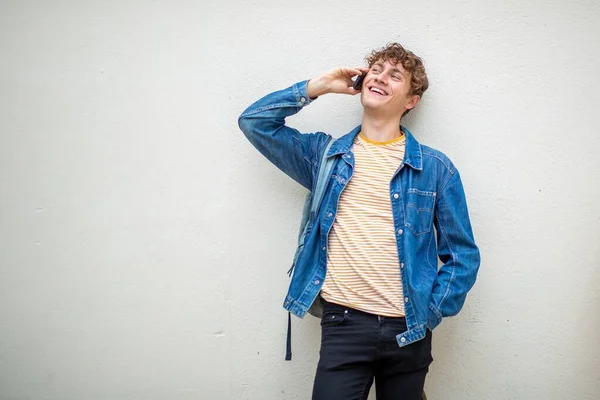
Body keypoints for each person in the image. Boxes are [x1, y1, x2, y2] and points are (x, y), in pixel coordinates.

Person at [238, 42, 481, 400]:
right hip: (344, 324)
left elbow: (463, 256)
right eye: (376, 70)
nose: (380, 77)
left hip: (409, 329)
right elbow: (254, 122)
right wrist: (316, 87)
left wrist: (431, 313)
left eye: (395, 75)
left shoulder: (435, 169)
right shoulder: (326, 157)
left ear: (411, 101)